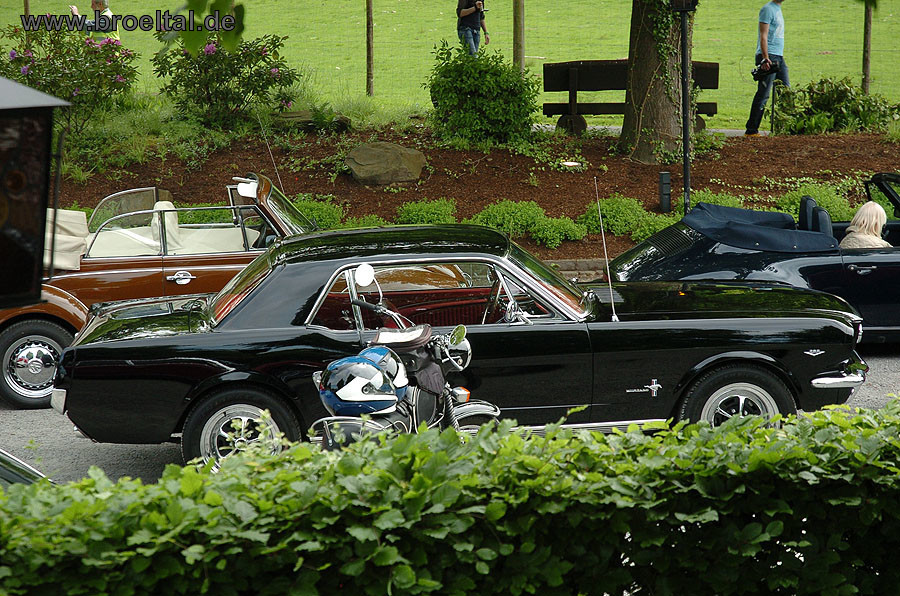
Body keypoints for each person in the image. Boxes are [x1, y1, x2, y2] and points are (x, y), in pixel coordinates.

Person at [745, 0, 788, 136]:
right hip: (769, 57)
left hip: (778, 56)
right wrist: (765, 58)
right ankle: (751, 131)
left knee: (786, 91)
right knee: (764, 94)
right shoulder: (768, 9)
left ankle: (786, 127)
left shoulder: (777, 8)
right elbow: (763, 36)